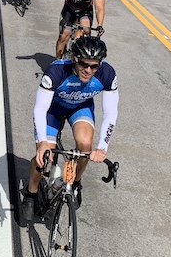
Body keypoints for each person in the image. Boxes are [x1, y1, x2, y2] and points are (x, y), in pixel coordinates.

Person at [21, 36, 119, 221]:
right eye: (83, 64)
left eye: (94, 66)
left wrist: (102, 148)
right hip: (52, 109)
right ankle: (31, 192)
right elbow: (40, 108)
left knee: (85, 145)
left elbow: (111, 112)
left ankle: (74, 183)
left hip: (79, 107)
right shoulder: (56, 71)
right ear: (74, 58)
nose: (88, 70)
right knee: (44, 155)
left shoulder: (107, 74)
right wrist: (42, 142)